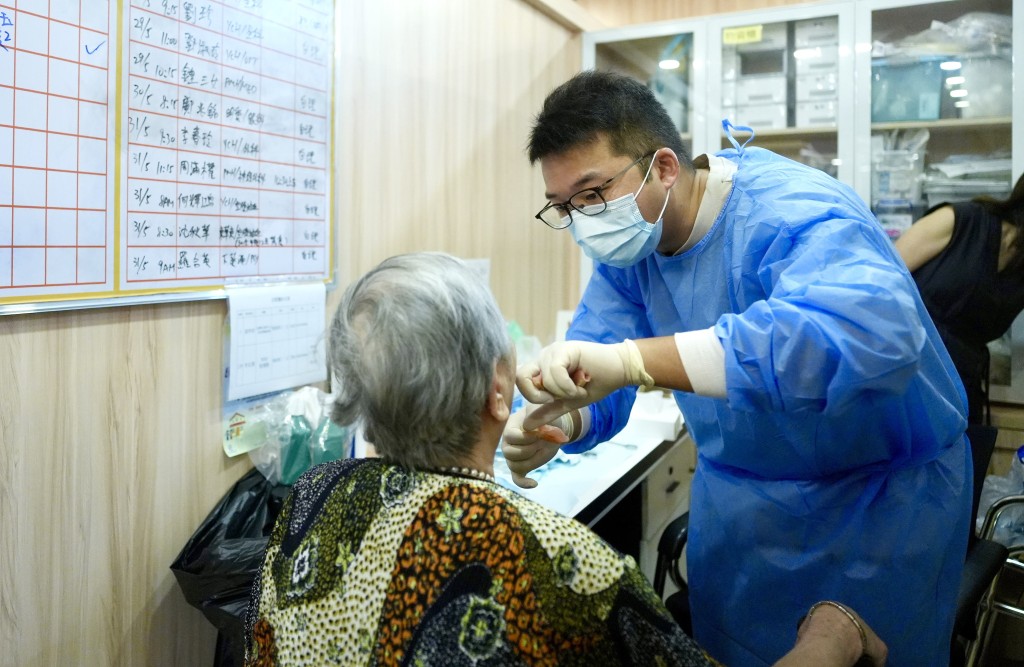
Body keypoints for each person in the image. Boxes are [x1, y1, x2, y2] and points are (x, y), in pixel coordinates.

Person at [502, 70, 970, 667]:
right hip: (742, 520)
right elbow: (597, 358)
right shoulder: (633, 252)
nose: (584, 220)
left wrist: (633, 362)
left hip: (876, 516)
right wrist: (560, 421)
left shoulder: (789, 211)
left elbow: (867, 334)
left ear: (664, 166)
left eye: (593, 195)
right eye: (564, 207)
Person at [243, 251, 887, 666]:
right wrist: (833, 637)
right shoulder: (565, 566)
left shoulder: (311, 497)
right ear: (501, 392)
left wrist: (583, 412)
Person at [894, 173, 1024, 424]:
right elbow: (879, 283)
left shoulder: (1020, 270)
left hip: (958, 392)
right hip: (900, 379)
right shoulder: (963, 220)